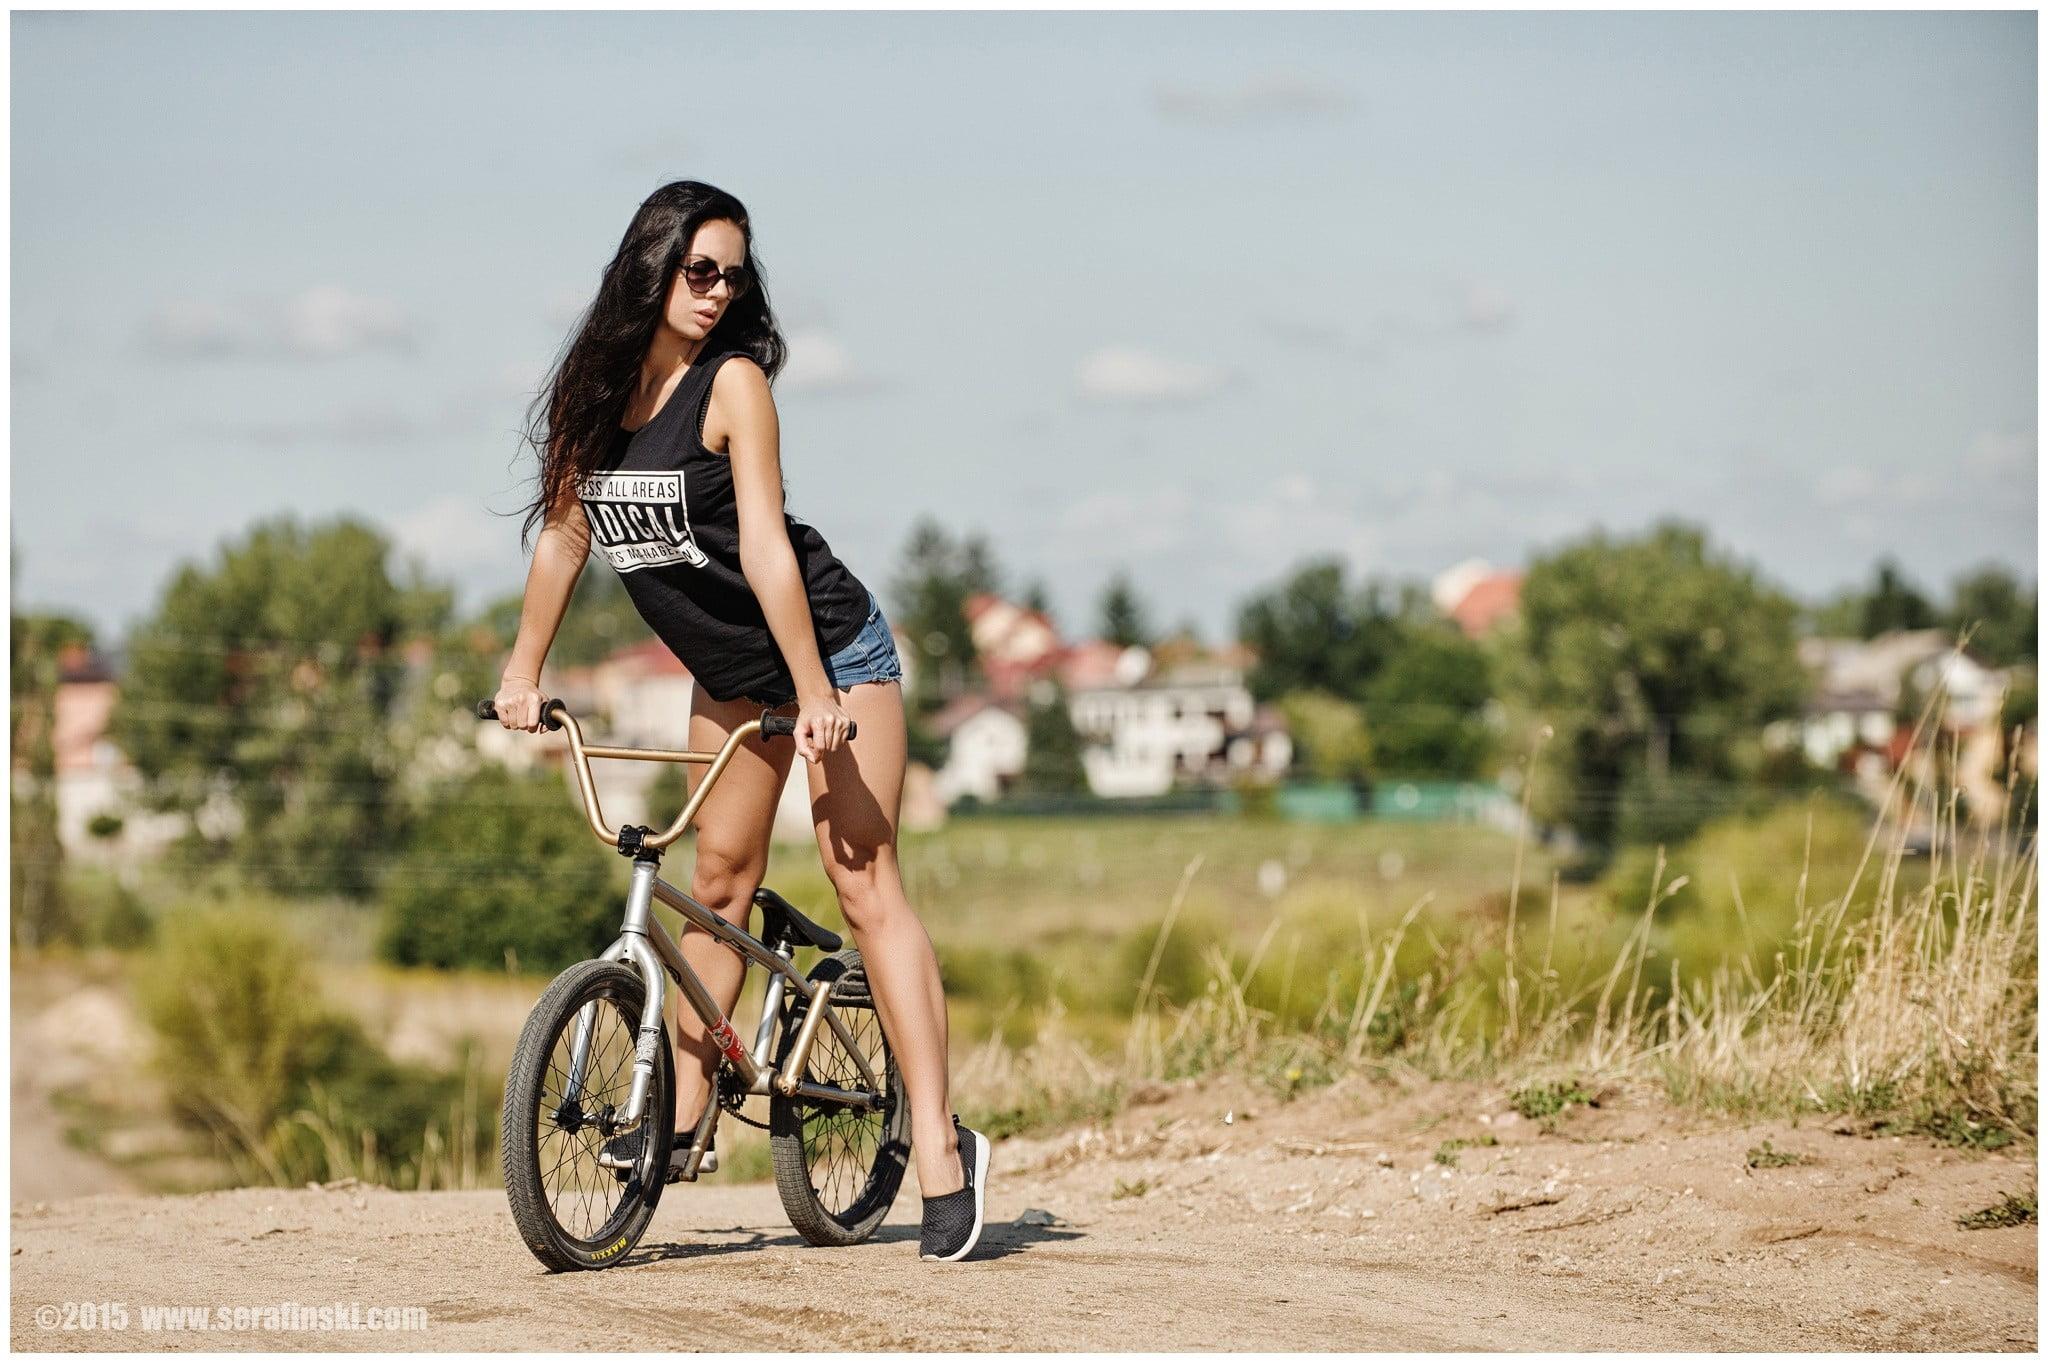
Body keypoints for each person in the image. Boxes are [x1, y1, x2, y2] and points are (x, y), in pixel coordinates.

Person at [491, 180, 987, 1263]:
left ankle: (942, 1148)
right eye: (698, 271)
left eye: (732, 273)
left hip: (830, 655)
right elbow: (564, 540)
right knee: (713, 882)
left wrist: (814, 693)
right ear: (650, 269)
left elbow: (766, 547)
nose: (717, 293)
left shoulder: (734, 386)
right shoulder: (594, 398)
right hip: (727, 675)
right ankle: (676, 1115)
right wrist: (523, 670)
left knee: (863, 882)